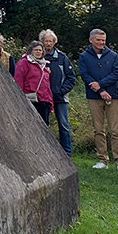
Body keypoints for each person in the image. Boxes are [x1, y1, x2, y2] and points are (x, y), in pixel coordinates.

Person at [79, 29, 118, 174]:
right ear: (91, 40)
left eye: (103, 40)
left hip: (112, 96)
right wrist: (99, 91)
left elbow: (117, 73)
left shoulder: (113, 56)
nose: (101, 43)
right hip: (94, 97)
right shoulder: (84, 56)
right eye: (98, 40)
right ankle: (102, 160)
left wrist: (101, 85)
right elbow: (84, 75)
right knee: (98, 130)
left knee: (115, 130)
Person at [39, 29, 76, 157]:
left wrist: (61, 92)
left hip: (60, 98)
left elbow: (71, 78)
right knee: (43, 125)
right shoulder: (38, 56)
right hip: (42, 98)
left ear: (54, 42)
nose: (48, 43)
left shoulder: (62, 57)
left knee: (64, 126)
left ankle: (67, 154)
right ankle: (46, 153)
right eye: (46, 41)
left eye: (50, 41)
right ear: (42, 42)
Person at [14, 41, 54, 125]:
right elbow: (18, 81)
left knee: (44, 127)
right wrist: (19, 99)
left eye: (40, 50)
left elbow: (47, 86)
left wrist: (51, 104)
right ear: (30, 51)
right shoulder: (24, 63)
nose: (38, 52)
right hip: (31, 100)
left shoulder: (44, 65)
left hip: (44, 101)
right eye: (36, 50)